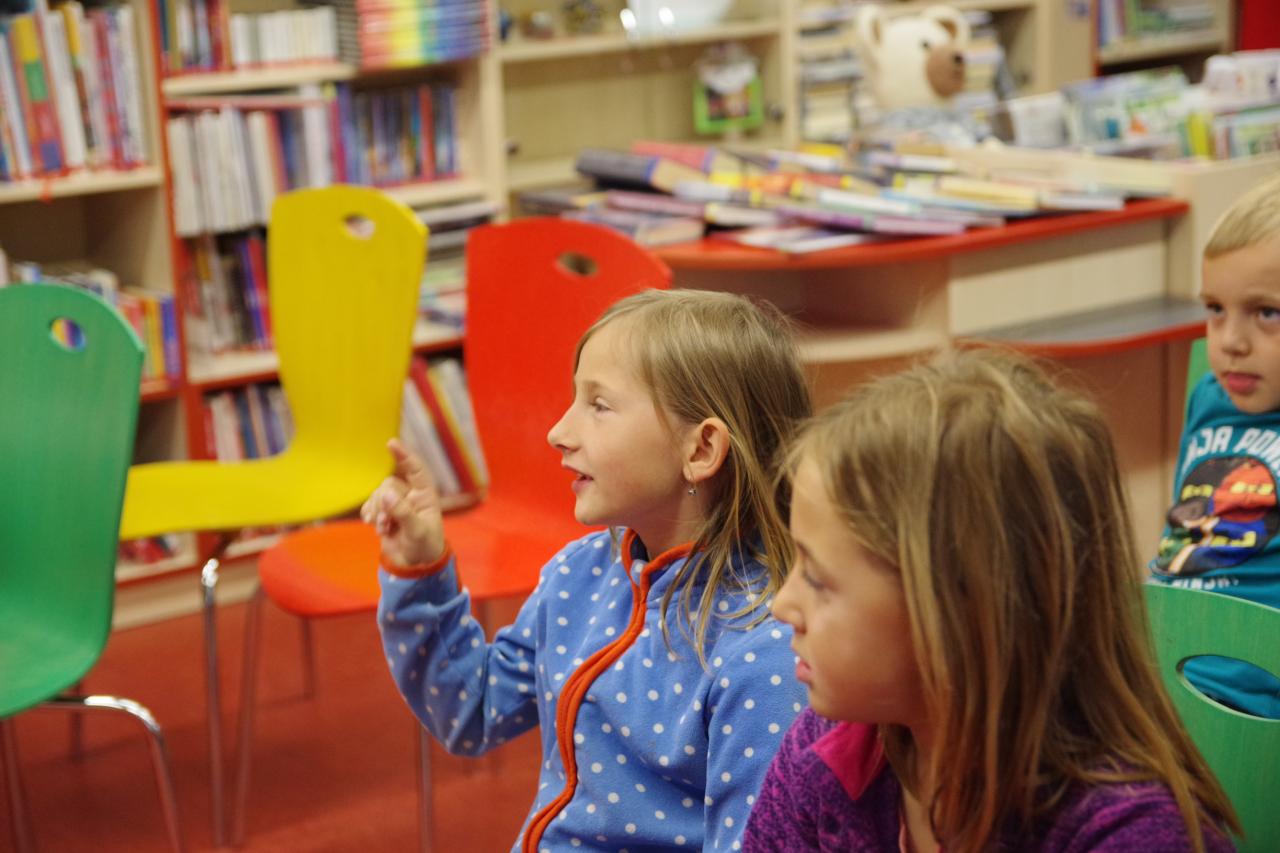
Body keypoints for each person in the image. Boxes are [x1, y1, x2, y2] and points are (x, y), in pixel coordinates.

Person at [363, 289, 813, 851]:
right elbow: (471, 710)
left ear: (701, 450)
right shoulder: (581, 574)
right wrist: (420, 570)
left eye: (598, 406)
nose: (558, 432)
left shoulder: (764, 651)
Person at [744, 348, 1239, 852]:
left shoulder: (1133, 838)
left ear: (960, 609)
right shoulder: (829, 747)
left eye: (818, 579)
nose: (782, 606)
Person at [1150, 172, 1280, 719]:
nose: (1230, 342)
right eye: (1215, 309)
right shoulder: (1210, 395)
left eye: (1267, 313)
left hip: (1244, 690)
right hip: (1160, 656)